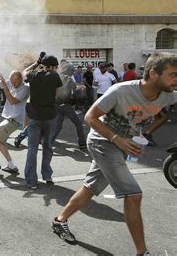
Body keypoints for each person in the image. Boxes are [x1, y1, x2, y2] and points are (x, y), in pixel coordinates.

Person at [52, 52, 177, 255]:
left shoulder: (169, 94)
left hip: (123, 144)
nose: (176, 79)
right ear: (154, 73)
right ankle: (142, 252)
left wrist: (144, 134)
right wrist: (117, 139)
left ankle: (59, 220)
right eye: (173, 74)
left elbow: (161, 117)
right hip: (102, 142)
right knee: (133, 195)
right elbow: (90, 117)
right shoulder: (120, 91)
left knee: (90, 188)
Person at [22, 53, 63, 189]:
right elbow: (56, 95)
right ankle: (47, 175)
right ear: (51, 67)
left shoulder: (33, 76)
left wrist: (36, 62)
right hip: (50, 117)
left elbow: (25, 72)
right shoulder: (55, 76)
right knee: (48, 146)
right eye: (56, 67)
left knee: (32, 149)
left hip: (34, 117)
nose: (57, 69)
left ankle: (31, 181)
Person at [52, 62, 87, 149]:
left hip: (57, 103)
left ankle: (49, 141)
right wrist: (82, 86)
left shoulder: (56, 76)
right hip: (65, 105)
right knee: (78, 123)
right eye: (72, 70)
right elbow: (74, 87)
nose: (73, 72)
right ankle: (82, 143)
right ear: (68, 70)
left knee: (58, 126)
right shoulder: (67, 78)